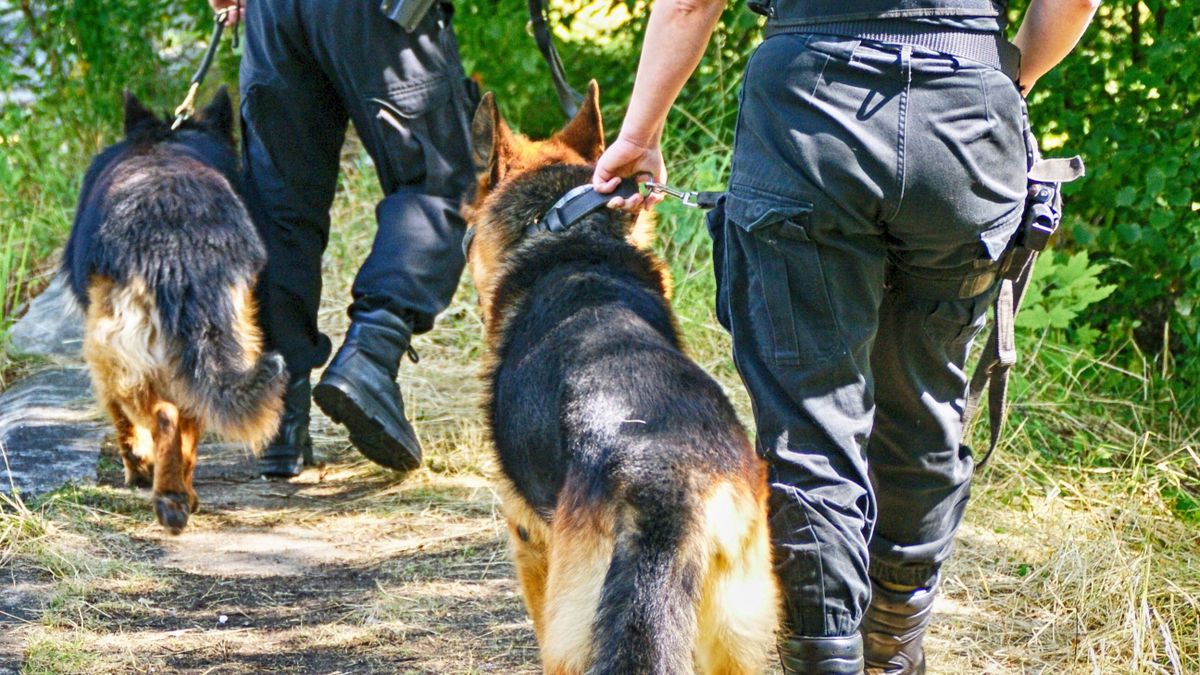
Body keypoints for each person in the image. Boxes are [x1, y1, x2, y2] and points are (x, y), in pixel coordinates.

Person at [593, 0, 1099, 672]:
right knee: (926, 407)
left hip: (808, 113)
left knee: (810, 427)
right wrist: (1001, 77)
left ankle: (828, 655)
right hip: (967, 116)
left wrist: (640, 132)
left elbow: (691, 3)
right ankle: (892, 650)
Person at [208, 0, 477, 478]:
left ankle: (280, 420)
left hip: (274, 17)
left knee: (278, 202)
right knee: (442, 179)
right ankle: (371, 353)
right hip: (377, 15)